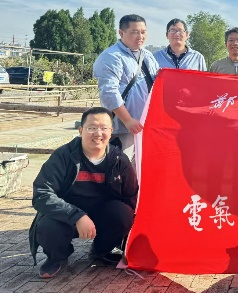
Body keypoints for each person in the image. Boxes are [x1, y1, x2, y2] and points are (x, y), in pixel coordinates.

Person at [29, 108, 138, 279]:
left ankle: (100, 251)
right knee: (47, 226)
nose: (98, 133)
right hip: (67, 216)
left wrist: (125, 232)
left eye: (104, 128)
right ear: (81, 130)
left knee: (124, 214)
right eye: (92, 128)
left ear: (111, 131)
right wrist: (77, 216)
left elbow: (131, 196)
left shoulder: (118, 159)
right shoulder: (63, 156)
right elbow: (42, 193)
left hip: (102, 215)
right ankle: (57, 257)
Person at [93, 14, 159, 164]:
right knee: (122, 168)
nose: (140, 36)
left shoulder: (148, 56)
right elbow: (109, 92)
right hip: (123, 128)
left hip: (146, 126)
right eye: (134, 32)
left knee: (141, 169)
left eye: (143, 32)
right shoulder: (111, 56)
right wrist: (127, 120)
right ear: (121, 33)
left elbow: (157, 84)